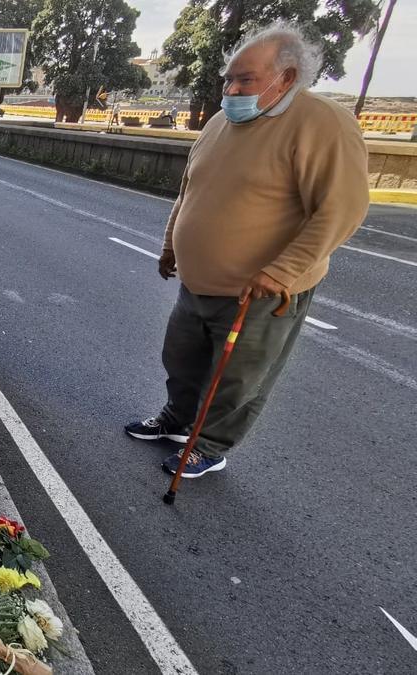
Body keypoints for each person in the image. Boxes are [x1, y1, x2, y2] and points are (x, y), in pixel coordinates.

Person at [124, 23, 369, 479]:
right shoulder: (222, 122)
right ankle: (177, 421)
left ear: (287, 77)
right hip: (199, 284)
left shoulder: (322, 124)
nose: (232, 89)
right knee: (181, 358)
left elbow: (343, 208)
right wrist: (170, 244)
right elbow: (190, 191)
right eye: (229, 80)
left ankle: (209, 444)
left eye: (245, 80)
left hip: (259, 293)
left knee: (236, 377)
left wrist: (283, 271)